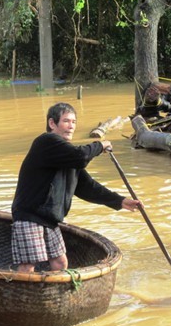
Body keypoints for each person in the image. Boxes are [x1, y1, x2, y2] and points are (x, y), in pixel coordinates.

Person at [11, 102, 141, 273]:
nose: (71, 126)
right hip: (30, 216)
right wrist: (100, 145)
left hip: (49, 219)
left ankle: (51, 296)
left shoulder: (67, 154)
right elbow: (81, 156)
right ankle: (23, 298)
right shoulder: (46, 142)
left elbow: (87, 187)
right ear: (52, 123)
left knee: (60, 264)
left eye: (73, 122)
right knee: (28, 265)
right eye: (66, 121)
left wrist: (120, 201)